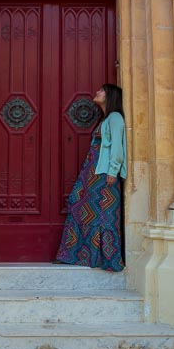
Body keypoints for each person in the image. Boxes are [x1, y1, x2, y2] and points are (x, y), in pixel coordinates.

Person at [55, 82, 126, 271]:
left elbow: (117, 147)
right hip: (92, 173)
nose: (97, 92)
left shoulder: (115, 118)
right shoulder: (105, 119)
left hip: (104, 174)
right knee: (78, 204)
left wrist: (113, 171)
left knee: (103, 215)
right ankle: (80, 255)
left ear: (110, 96)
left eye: (102, 91)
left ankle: (105, 258)